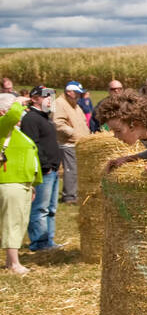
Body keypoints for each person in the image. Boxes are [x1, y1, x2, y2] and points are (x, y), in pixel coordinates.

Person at [0, 94, 42, 275]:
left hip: (22, 182)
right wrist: (17, 103)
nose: (23, 112)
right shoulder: (3, 126)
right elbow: (11, 116)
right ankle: (14, 263)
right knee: (12, 222)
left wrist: (34, 183)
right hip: (10, 181)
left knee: (20, 221)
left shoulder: (15, 132)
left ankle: (11, 262)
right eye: (18, 109)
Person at [20, 87, 61, 251]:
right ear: (35, 98)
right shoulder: (31, 119)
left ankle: (48, 240)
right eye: (46, 96)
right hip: (45, 171)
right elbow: (32, 144)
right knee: (40, 208)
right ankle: (38, 242)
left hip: (53, 169)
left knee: (51, 208)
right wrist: (45, 166)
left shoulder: (45, 118)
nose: (50, 99)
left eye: (51, 96)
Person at [52, 82, 90, 204]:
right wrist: (73, 133)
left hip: (78, 142)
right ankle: (69, 197)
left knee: (76, 169)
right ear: (69, 92)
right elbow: (58, 123)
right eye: (77, 93)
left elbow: (83, 122)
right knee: (71, 170)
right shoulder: (60, 103)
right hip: (68, 143)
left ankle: (74, 194)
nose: (80, 95)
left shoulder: (74, 105)